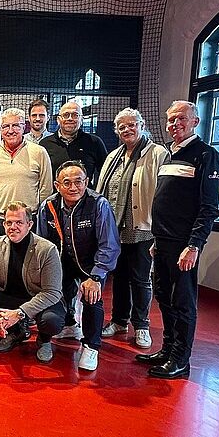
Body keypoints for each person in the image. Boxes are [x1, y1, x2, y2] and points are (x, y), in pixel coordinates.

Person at [136, 100, 219, 380]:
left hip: (184, 245)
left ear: (195, 121)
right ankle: (168, 350)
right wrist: (156, 239)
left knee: (183, 302)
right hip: (162, 242)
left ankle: (181, 360)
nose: (175, 124)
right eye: (171, 119)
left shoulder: (206, 155)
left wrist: (194, 245)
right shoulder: (169, 156)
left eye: (181, 118)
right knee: (164, 297)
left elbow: (209, 208)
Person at [36, 161, 120, 370]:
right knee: (55, 292)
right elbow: (41, 242)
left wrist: (96, 277)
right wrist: (44, 273)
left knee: (92, 296)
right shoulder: (47, 206)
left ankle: (91, 346)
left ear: (87, 182)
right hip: (61, 262)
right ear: (57, 185)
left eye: (78, 181)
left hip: (91, 264)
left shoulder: (99, 204)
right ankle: (70, 324)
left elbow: (109, 245)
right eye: (67, 183)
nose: (73, 187)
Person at [96, 108, 169, 350]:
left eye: (132, 125)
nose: (127, 129)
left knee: (140, 278)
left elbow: (164, 195)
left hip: (142, 228)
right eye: (122, 127)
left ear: (142, 125)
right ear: (117, 131)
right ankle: (119, 321)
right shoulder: (113, 156)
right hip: (115, 229)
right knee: (119, 277)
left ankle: (141, 325)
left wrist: (160, 229)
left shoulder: (157, 153)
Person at [0, 202, 64, 360]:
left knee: (51, 321)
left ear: (29, 225)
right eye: (9, 222)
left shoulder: (47, 249)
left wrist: (20, 313)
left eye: (19, 222)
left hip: (37, 300)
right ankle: (16, 332)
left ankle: (44, 340)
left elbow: (52, 292)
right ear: (4, 224)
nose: (13, 227)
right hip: (9, 297)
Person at [0, 108, 53, 240]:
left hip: (26, 220)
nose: (10, 131)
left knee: (28, 254)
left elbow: (46, 189)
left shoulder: (39, 153)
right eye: (5, 126)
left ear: (24, 127)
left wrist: (30, 211)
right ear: (0, 129)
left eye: (15, 125)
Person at [40, 100, 109, 188]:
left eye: (75, 115)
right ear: (58, 120)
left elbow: (105, 173)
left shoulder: (94, 142)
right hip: (54, 196)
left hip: (85, 196)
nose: (70, 119)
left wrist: (96, 192)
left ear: (81, 119)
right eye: (66, 115)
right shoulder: (45, 144)